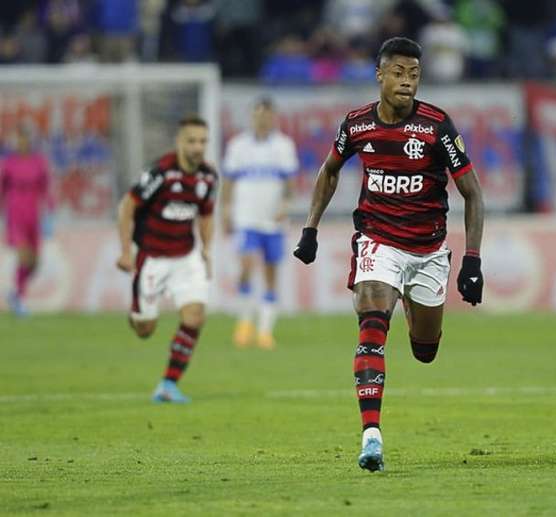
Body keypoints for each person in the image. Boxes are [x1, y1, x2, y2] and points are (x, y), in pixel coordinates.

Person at [293, 37, 485, 472]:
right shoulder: (356, 124)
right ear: (380, 75)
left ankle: (417, 326)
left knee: (425, 349)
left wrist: (471, 260)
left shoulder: (437, 126)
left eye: (414, 75)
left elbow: (473, 193)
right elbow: (329, 172)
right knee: (372, 319)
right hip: (378, 240)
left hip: (429, 251)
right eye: (398, 73)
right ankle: (371, 436)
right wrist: (310, 228)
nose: (406, 82)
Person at [115, 116, 217, 403]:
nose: (198, 147)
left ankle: (168, 385)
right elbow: (127, 207)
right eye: (192, 141)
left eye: (202, 141)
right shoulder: (161, 173)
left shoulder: (208, 177)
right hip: (152, 259)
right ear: (179, 142)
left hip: (186, 256)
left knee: (195, 317)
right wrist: (125, 251)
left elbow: (206, 215)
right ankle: (139, 311)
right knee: (144, 329)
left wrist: (207, 249)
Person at [220, 98, 298, 349]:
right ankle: (244, 322)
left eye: (266, 115)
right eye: (258, 115)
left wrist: (285, 207)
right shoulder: (238, 146)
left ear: (273, 117)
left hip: (273, 220)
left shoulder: (284, 146)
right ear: (252, 117)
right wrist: (226, 211)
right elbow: (229, 181)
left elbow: (289, 184)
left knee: (270, 273)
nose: (262, 119)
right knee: (245, 265)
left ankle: (264, 330)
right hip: (246, 217)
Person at [1, 126, 53, 316]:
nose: (23, 143)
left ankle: (15, 294)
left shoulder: (39, 162)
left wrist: (50, 212)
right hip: (15, 215)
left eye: (26, 139)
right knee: (24, 256)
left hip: (34, 215)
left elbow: (46, 188)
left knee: (35, 262)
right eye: (20, 140)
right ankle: (21, 299)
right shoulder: (9, 163)